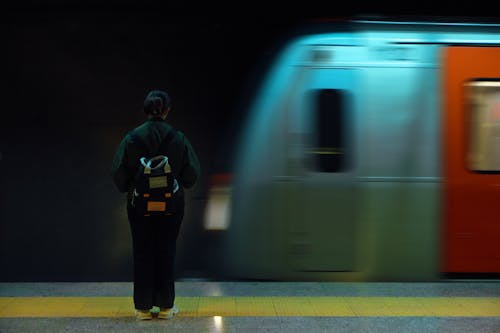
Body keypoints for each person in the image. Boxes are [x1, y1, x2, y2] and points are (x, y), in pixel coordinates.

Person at [111, 90, 200, 320]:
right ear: (167, 111)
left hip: (139, 206)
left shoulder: (131, 138)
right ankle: (166, 307)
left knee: (142, 251)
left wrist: (133, 185)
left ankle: (142, 308)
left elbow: (118, 175)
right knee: (166, 251)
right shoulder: (178, 138)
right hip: (171, 207)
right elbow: (192, 175)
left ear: (145, 110)